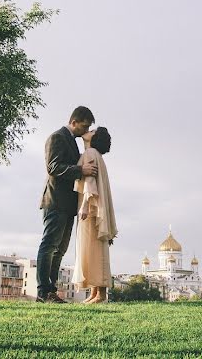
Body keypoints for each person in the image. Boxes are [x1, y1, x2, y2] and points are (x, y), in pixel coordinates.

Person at [36, 106, 97, 303]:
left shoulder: (71, 141)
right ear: (74, 122)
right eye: (85, 126)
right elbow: (53, 167)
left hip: (67, 205)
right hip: (55, 201)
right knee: (49, 246)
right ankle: (43, 292)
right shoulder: (57, 137)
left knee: (60, 249)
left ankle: (51, 291)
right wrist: (81, 170)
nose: (86, 130)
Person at [72, 126, 117, 303]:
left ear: (94, 137)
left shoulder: (90, 153)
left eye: (92, 130)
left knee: (93, 248)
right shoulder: (95, 155)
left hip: (90, 209)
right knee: (93, 249)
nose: (88, 130)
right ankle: (94, 293)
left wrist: (84, 206)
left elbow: (90, 183)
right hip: (94, 208)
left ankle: (101, 294)